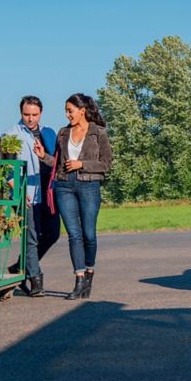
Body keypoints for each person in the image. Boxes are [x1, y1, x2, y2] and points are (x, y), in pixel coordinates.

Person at [36, 93, 112, 300]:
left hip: (89, 186)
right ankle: (79, 280)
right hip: (64, 186)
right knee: (74, 234)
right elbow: (59, 165)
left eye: (70, 110)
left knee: (89, 234)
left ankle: (89, 272)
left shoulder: (99, 133)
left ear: (82, 110)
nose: (67, 114)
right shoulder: (63, 133)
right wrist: (44, 157)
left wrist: (82, 164)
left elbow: (106, 164)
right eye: (66, 110)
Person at [6, 95, 60, 297]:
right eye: (26, 114)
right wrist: (17, 189)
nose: (30, 119)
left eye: (34, 115)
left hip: (48, 193)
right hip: (26, 194)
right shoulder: (12, 135)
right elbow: (6, 169)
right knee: (32, 238)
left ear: (41, 113)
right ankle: (36, 281)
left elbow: (57, 162)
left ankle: (19, 267)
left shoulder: (49, 133)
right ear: (21, 113)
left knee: (52, 234)